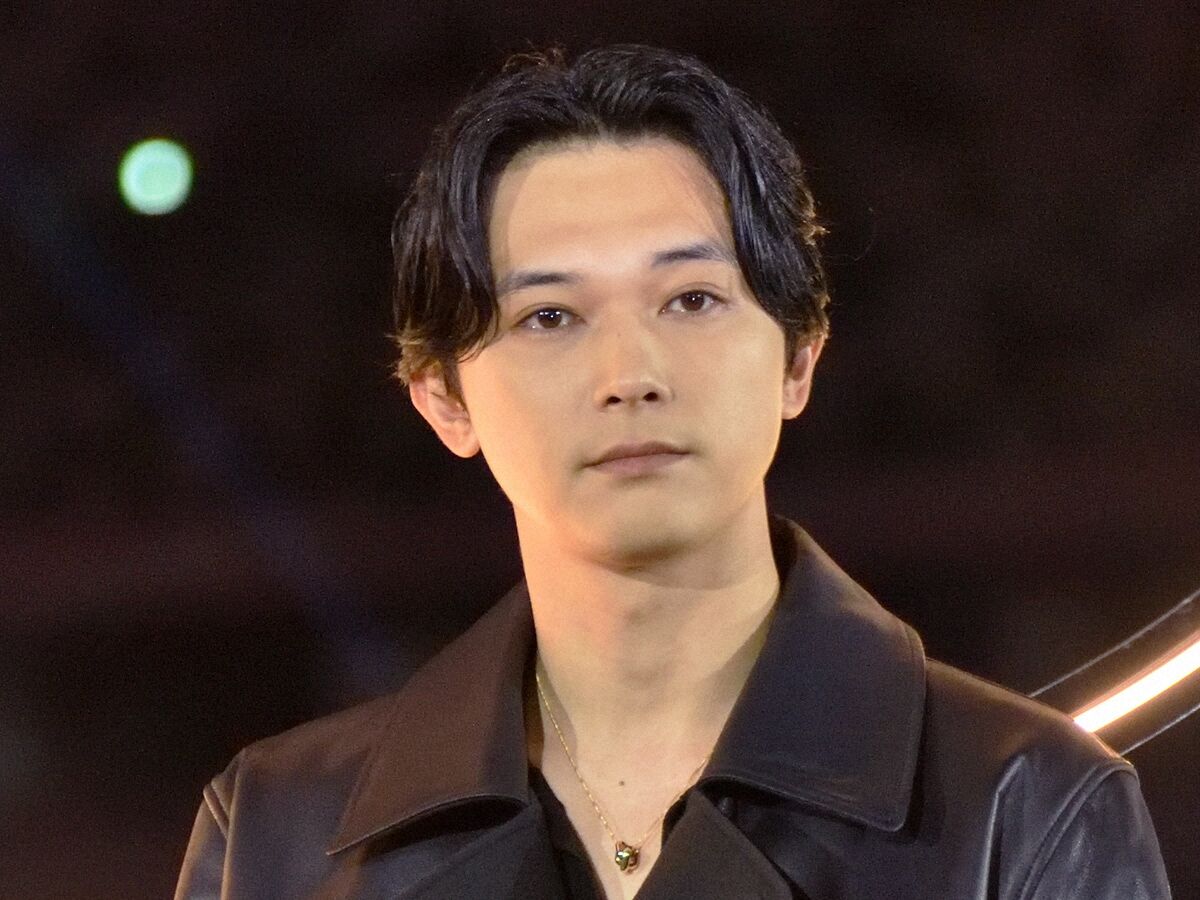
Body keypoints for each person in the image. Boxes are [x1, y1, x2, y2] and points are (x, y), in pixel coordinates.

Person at [175, 44, 1171, 899]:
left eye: (691, 299)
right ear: (444, 398)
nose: (630, 375)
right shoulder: (284, 830)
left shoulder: (1025, 806)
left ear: (798, 357)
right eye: (550, 317)